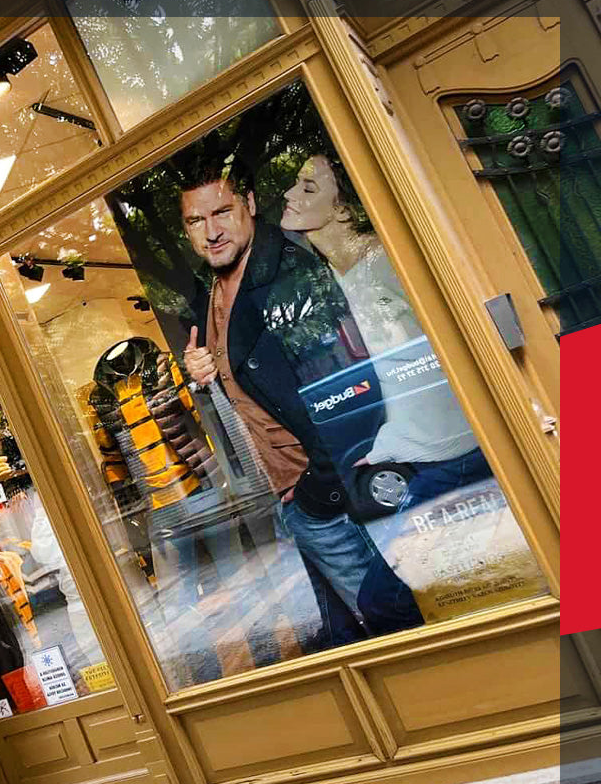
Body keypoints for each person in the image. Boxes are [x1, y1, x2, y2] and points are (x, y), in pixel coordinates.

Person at [179, 164, 424, 646]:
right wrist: (202, 373)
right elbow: (249, 378)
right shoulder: (212, 288)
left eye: (222, 212)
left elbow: (351, 391)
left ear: (250, 204)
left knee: (398, 635)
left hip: (329, 496)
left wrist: (318, 495)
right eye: (195, 221)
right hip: (289, 499)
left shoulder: (289, 274)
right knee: (349, 642)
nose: (211, 232)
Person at [278, 153, 492, 507]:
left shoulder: (389, 261)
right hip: (409, 457)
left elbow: (466, 337)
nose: (289, 193)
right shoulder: (329, 276)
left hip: (460, 451)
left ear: (343, 210)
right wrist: (388, 443)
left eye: (308, 188)